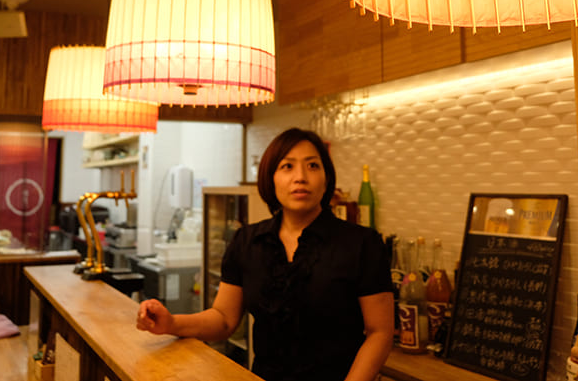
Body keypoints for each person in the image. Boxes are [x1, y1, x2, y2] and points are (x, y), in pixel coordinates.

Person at [136, 127, 394, 381]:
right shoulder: (247, 241)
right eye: (287, 166)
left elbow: (379, 332)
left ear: (326, 179)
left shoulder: (362, 244)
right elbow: (224, 319)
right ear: (271, 178)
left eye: (313, 166)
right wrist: (172, 324)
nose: (300, 177)